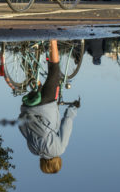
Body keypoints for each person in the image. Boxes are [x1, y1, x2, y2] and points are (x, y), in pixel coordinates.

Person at [16, 40, 81, 174]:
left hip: (46, 105)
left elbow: (66, 125)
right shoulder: (33, 150)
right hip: (27, 108)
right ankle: (26, 56)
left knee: (54, 72)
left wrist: (73, 109)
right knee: (35, 82)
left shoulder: (58, 150)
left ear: (57, 162)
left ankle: (53, 41)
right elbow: (24, 130)